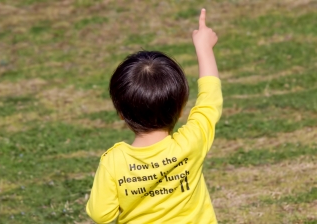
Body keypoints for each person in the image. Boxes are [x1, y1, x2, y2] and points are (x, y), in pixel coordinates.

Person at [86, 8, 223, 224]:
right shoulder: (191, 142)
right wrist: (204, 48)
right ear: (180, 109)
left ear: (121, 113)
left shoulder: (114, 162)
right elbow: (210, 100)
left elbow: (101, 215)